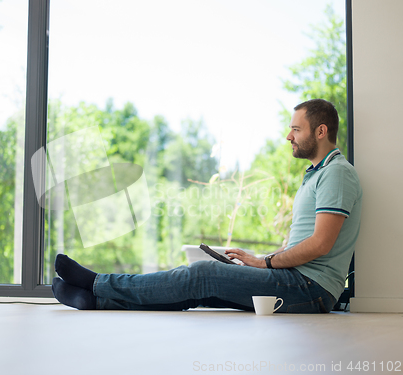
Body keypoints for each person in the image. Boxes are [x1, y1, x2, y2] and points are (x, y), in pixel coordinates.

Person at [51, 99, 362, 313]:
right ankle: (97, 302)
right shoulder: (318, 174)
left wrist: (265, 263)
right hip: (298, 280)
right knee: (202, 289)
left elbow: (321, 243)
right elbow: (308, 242)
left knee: (202, 275)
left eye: (296, 129)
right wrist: (262, 260)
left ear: (321, 131)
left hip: (309, 289)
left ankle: (97, 283)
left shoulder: (337, 173)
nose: (287, 136)